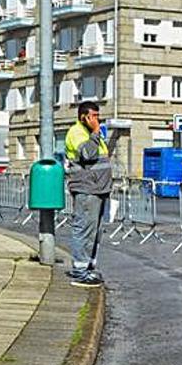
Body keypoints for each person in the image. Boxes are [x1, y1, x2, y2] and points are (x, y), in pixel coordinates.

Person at [64, 101, 115, 288]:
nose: (97, 120)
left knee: (95, 230)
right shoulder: (77, 133)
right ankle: (80, 271)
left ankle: (89, 267)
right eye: (93, 116)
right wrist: (94, 132)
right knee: (84, 228)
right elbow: (88, 155)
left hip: (99, 189)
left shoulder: (93, 134)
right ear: (83, 117)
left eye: (97, 116)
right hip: (87, 188)